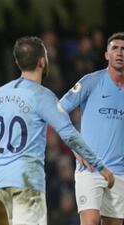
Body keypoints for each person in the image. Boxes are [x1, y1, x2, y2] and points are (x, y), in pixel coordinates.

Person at [0, 36, 115, 225]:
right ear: (42, 61)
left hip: (1, 180)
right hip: (26, 179)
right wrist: (101, 166)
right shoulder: (42, 96)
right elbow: (69, 134)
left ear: (17, 62)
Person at [59, 32, 124, 225]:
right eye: (115, 48)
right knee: (91, 221)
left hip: (120, 172)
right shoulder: (91, 81)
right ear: (106, 55)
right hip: (90, 170)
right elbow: (58, 110)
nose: (120, 53)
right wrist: (74, 145)